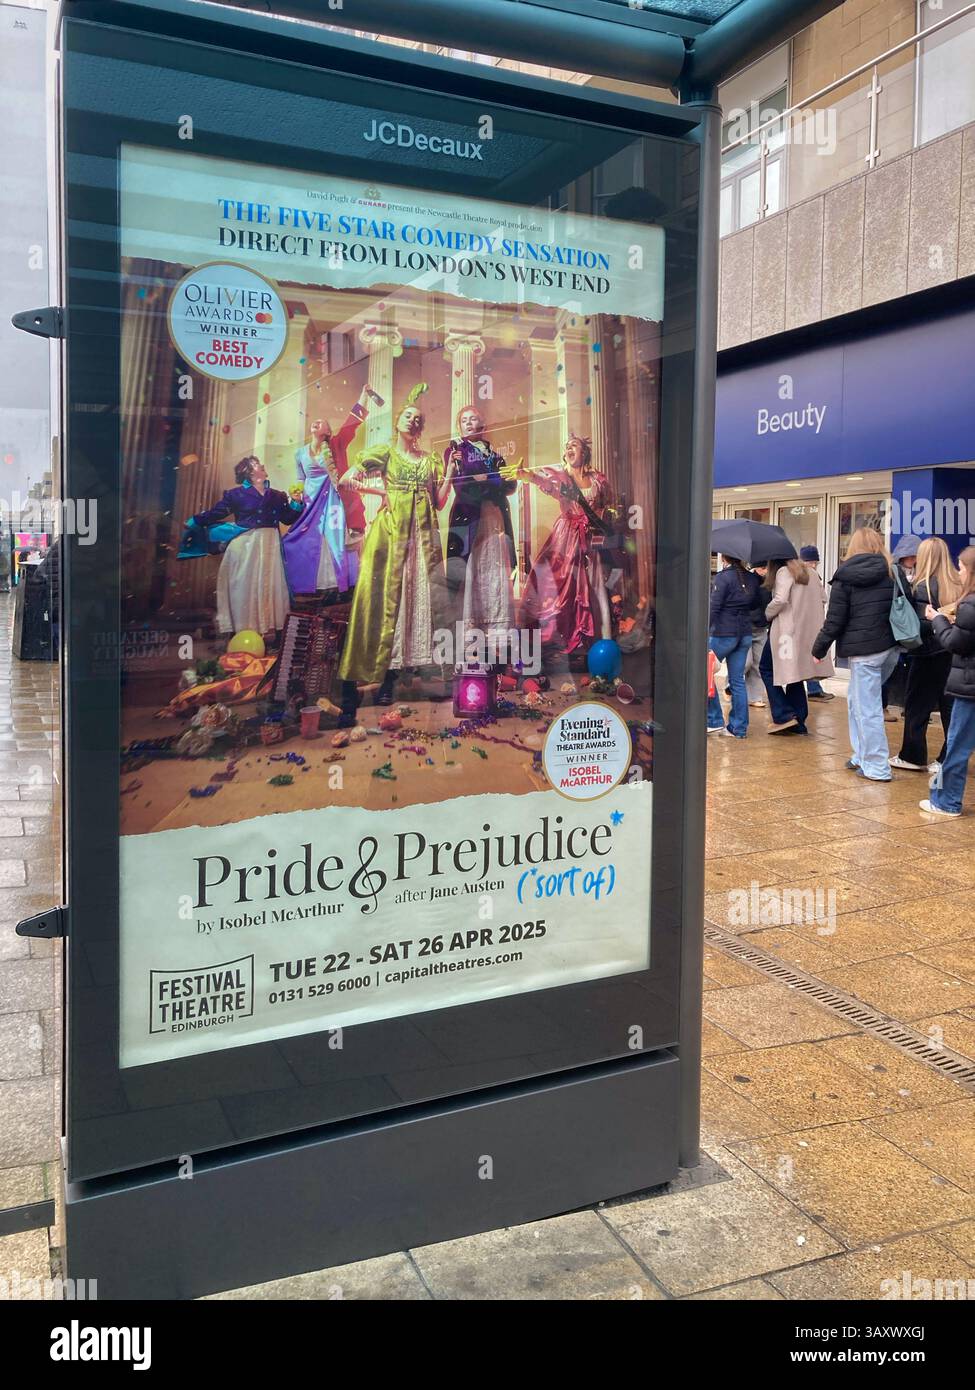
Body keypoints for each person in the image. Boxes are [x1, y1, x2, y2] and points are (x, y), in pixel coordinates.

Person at [338, 383, 455, 705]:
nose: (412, 421)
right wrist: (382, 492)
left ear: (421, 428)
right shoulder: (385, 454)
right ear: (398, 422)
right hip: (393, 534)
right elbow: (345, 479)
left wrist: (450, 475)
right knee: (394, 599)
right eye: (407, 416)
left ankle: (419, 670)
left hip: (423, 538)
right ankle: (387, 675)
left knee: (422, 599)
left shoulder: (431, 460)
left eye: (417, 419)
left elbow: (439, 501)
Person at [812, 527, 897, 780]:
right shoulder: (892, 572)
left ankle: (877, 766)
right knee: (857, 701)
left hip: (864, 652)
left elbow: (835, 619)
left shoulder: (845, 576)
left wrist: (819, 648)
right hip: (890, 648)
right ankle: (861, 755)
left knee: (866, 707)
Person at [517, 432, 612, 655]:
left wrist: (601, 526)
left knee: (595, 586)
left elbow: (606, 506)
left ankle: (602, 641)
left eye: (574, 446)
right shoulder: (561, 478)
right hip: (566, 537)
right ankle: (563, 642)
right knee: (562, 589)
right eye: (567, 447)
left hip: (590, 539)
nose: (569, 450)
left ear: (584, 452)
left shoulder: (598, 479)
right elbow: (545, 484)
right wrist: (527, 476)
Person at [189, 456, 301, 638]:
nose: (263, 465)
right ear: (249, 472)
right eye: (258, 464)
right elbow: (217, 512)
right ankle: (244, 630)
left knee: (269, 584)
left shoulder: (277, 495)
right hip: (246, 546)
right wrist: (195, 521)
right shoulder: (235, 494)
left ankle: (269, 631)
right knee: (244, 585)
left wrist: (296, 502)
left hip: (270, 546)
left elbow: (287, 518)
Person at [281, 385, 373, 599]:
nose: (317, 422)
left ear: (329, 432)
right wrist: (295, 495)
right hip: (310, 503)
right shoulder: (299, 453)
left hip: (334, 502)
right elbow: (300, 479)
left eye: (322, 422)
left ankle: (337, 585)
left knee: (334, 539)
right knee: (306, 540)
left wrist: (363, 396)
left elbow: (352, 424)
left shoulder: (336, 445)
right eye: (315, 421)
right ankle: (307, 584)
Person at [445, 406, 517, 657]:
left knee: (495, 573)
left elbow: (511, 484)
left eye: (473, 418)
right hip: (470, 519)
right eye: (463, 420)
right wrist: (493, 480)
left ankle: (497, 643)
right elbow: (465, 484)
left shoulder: (496, 454)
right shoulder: (455, 451)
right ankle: (471, 644)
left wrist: (487, 480)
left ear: (482, 423)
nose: (468, 423)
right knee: (472, 572)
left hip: (494, 518)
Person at [891, 537, 961, 773]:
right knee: (950, 709)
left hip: (928, 653)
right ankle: (947, 758)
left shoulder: (924, 586)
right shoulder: (958, 583)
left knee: (916, 706)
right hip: (953, 653)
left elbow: (919, 626)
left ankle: (912, 755)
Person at [920, 545, 975, 817]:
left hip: (969, 686)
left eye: (962, 568)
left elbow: (956, 643)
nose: (959, 572)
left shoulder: (970, 604)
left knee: (956, 746)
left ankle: (945, 801)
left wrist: (939, 620)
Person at [761, 555, 834, 734]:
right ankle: (799, 721)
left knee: (766, 667)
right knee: (797, 675)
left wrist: (766, 614)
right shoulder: (811, 572)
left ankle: (784, 715)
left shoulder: (783, 572)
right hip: (806, 631)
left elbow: (780, 600)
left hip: (785, 632)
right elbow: (823, 599)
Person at [707, 554, 761, 738]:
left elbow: (714, 607)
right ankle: (739, 728)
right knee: (737, 681)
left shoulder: (722, 578)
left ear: (725, 558)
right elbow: (755, 604)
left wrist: (704, 630)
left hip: (723, 634)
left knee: (705, 673)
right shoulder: (753, 579)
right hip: (744, 633)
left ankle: (713, 720)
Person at [799, 546, 834, 701]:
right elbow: (824, 598)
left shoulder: (796, 575)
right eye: (812, 562)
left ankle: (813, 689)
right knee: (812, 655)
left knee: (806, 655)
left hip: (800, 622)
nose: (813, 565)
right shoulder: (813, 576)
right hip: (812, 622)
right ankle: (814, 689)